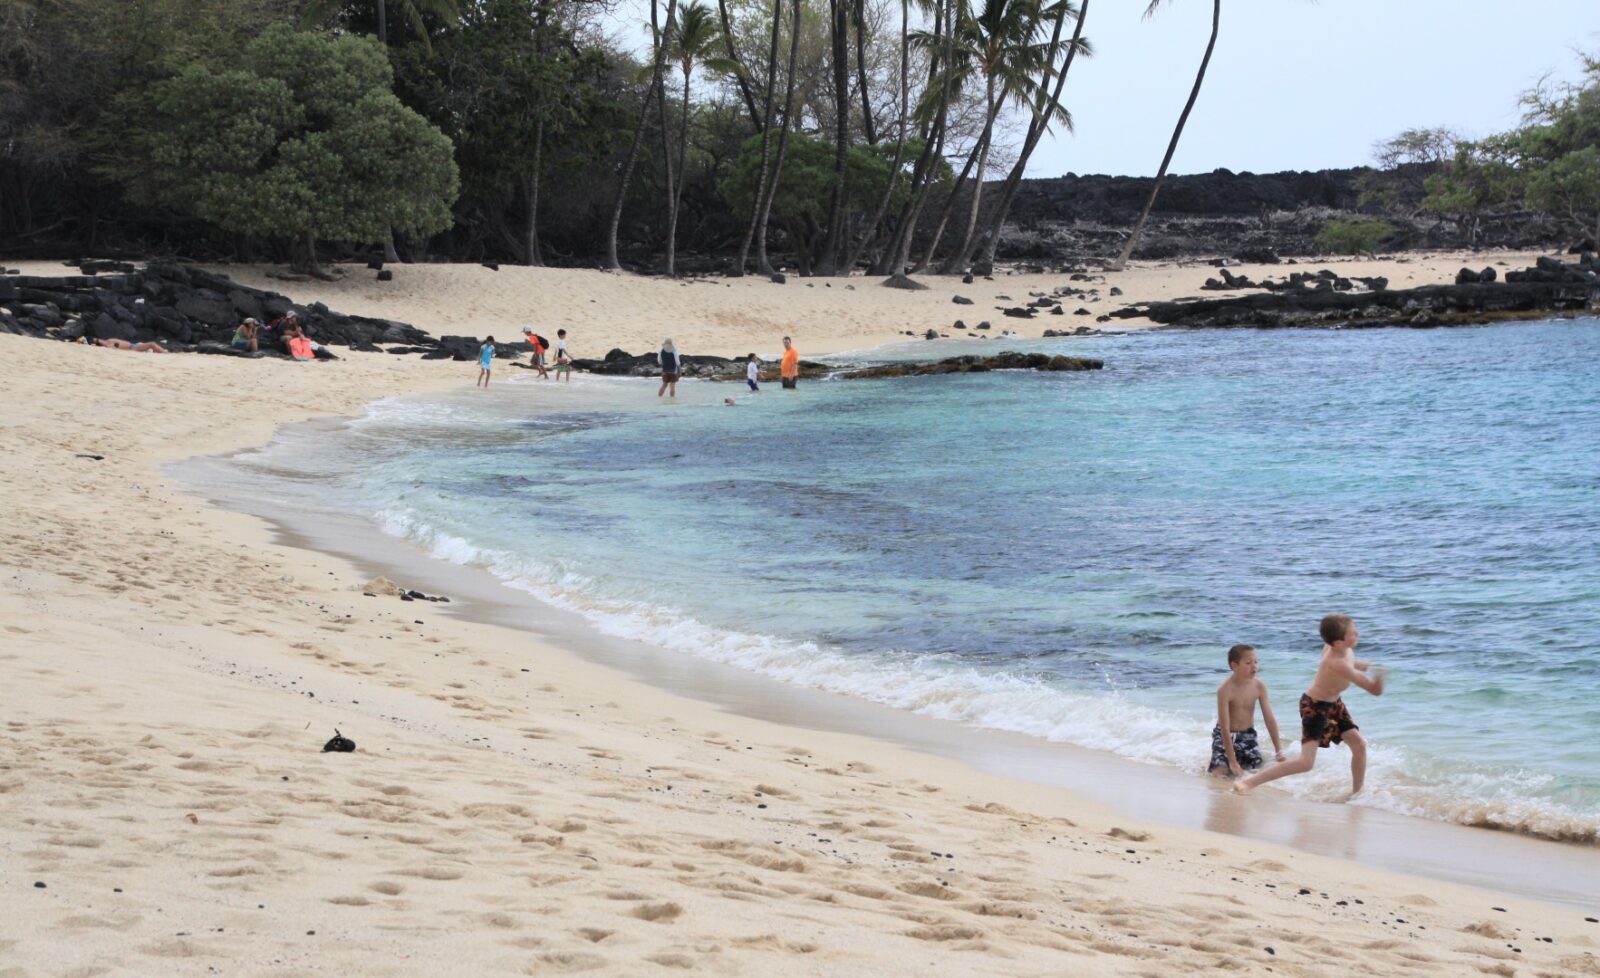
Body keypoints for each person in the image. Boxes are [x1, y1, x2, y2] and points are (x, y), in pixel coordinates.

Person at [1234, 615, 1386, 798]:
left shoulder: (1336, 648)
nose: (1357, 633)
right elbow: (1374, 690)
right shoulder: (1336, 663)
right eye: (1352, 633)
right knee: (1306, 763)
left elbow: (1350, 662)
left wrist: (1363, 665)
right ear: (1338, 642)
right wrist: (1380, 676)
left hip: (1334, 704)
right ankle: (1247, 783)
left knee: (1359, 745)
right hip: (1315, 708)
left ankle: (1357, 794)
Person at [1209, 644, 1284, 777]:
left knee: (1254, 769)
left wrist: (1279, 751)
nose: (1254, 666)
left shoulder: (1259, 686)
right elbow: (1224, 728)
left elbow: (1269, 719)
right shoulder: (1225, 690)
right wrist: (1232, 762)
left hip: (1247, 735)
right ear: (1234, 665)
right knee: (1220, 772)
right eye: (1248, 663)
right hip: (1225, 735)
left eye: (1256, 662)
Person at [94, 337, 167, 353]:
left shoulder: (110, 340)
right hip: (133, 348)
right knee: (152, 344)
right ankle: (165, 354)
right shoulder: (109, 345)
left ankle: (162, 352)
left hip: (134, 344)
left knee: (152, 346)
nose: (98, 339)